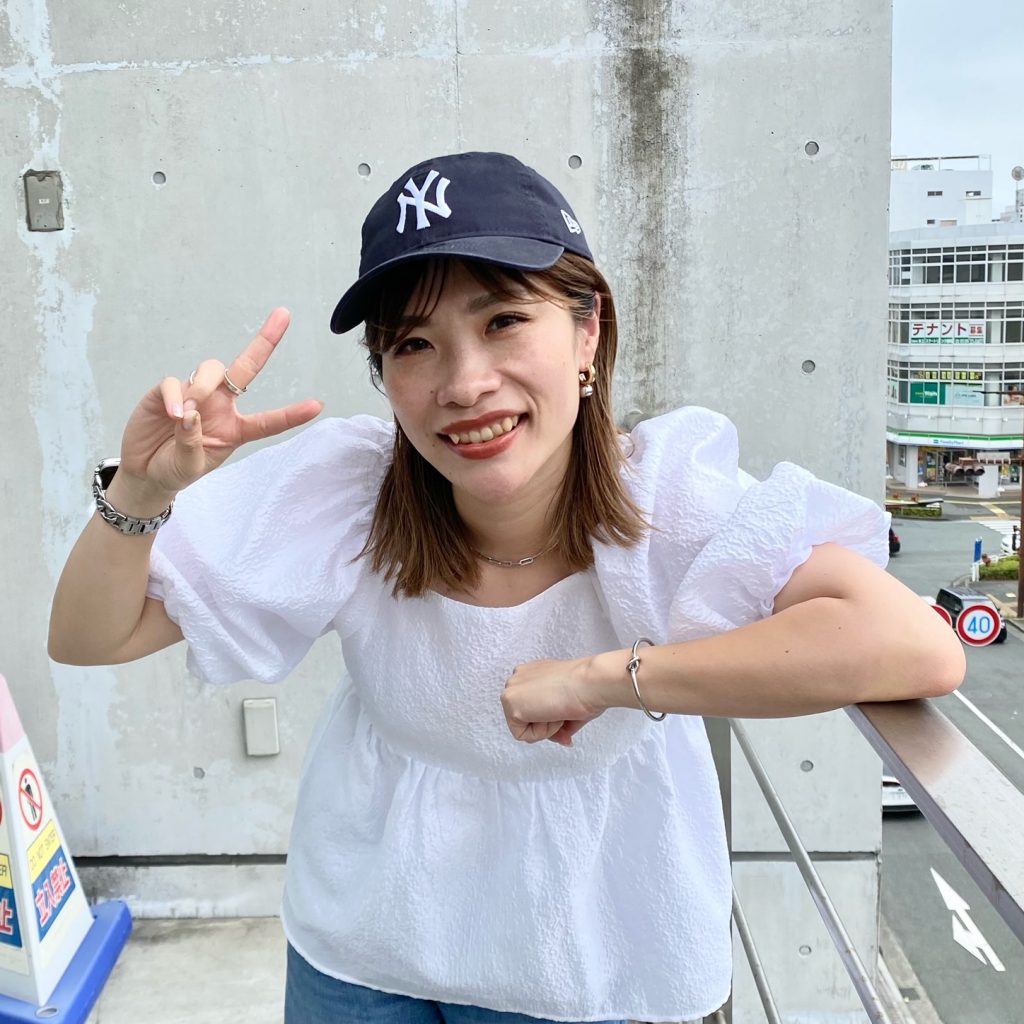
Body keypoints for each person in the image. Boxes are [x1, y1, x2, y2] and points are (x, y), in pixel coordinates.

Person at [49, 151, 965, 1024]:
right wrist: (143, 493)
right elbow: (92, 636)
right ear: (385, 377)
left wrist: (603, 679)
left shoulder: (665, 502)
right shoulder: (353, 494)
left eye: (503, 321)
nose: (464, 384)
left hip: (579, 956)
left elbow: (915, 645)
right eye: (415, 343)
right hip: (359, 944)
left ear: (587, 331)